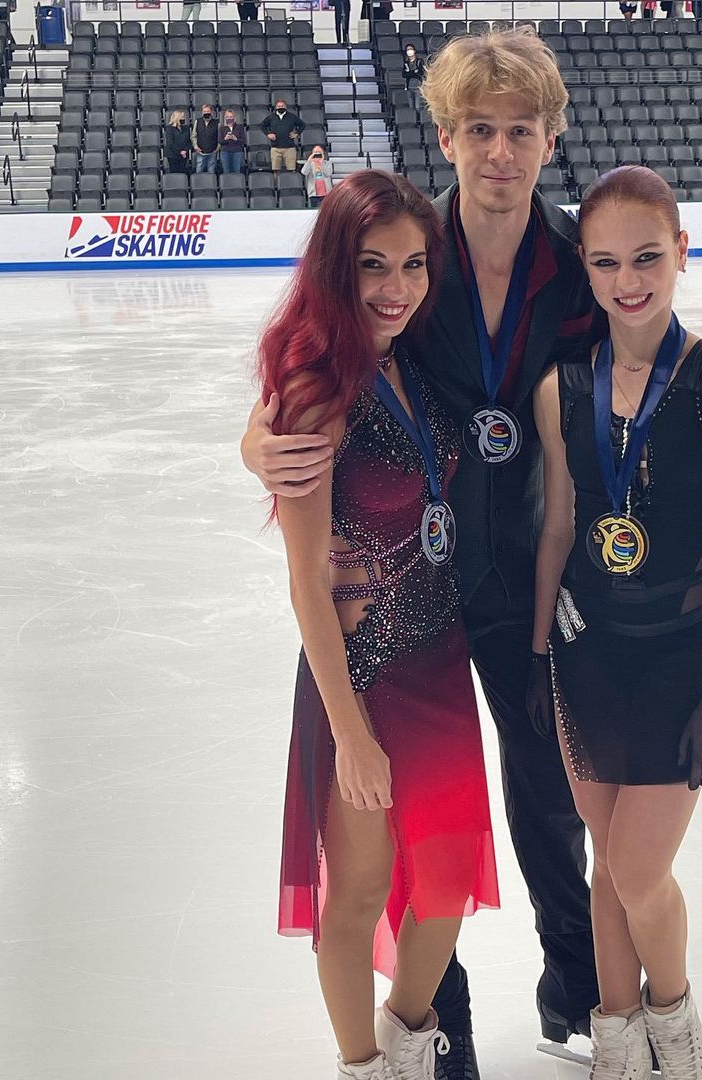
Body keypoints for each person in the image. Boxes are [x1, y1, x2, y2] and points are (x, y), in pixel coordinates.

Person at [240, 29, 702, 1080]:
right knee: (423, 816)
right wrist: (256, 439)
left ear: (551, 138)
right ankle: (433, 1020)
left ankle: (574, 988)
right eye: (480, 129)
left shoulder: (579, 262)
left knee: (546, 795)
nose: (501, 151)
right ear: (446, 137)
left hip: (544, 574)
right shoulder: (413, 252)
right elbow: (331, 357)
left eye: (521, 131)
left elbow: (648, 348)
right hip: (429, 585)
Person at [531, 164, 702, 1080]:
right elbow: (559, 529)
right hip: (586, 658)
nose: (627, 281)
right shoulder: (562, 388)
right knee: (608, 865)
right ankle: (618, 1041)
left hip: (680, 663)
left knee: (637, 871)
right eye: (604, 263)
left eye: (646, 257)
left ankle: (676, 1027)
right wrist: (540, 653)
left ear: (682, 252)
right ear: (585, 270)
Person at [267, 169, 500, 1080]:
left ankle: (407, 1040)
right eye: (373, 265)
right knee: (360, 892)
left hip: (439, 654)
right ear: (338, 266)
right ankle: (364, 1067)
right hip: (360, 670)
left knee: (445, 881)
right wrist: (352, 736)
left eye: (412, 265)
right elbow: (304, 584)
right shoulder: (315, 393)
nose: (396, 287)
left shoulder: (411, 357)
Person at [262, 98, 305, 174]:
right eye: (279, 106)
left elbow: (302, 125)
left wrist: (297, 133)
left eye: (282, 106)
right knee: (276, 170)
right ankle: (277, 182)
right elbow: (262, 126)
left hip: (290, 148)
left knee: (291, 170)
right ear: (275, 107)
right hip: (275, 148)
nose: (280, 107)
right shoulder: (271, 117)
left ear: (286, 107)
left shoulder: (292, 117)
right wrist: (268, 134)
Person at [192, 103, 219, 174]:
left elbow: (219, 136)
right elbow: (194, 135)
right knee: (199, 170)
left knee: (211, 171)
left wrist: (217, 148)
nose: (206, 113)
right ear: (202, 112)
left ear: (211, 112)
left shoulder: (217, 123)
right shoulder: (197, 121)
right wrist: (195, 146)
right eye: (205, 111)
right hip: (200, 151)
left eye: (208, 111)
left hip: (212, 151)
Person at [218, 109, 247, 174]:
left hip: (237, 151)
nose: (229, 118)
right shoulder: (222, 128)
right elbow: (220, 141)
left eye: (231, 117)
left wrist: (235, 139)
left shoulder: (240, 127)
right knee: (226, 172)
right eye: (228, 117)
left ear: (234, 117)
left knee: (236, 172)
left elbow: (243, 141)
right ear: (225, 118)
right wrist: (225, 139)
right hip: (225, 152)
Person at [165, 110, 191, 174]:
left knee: (182, 172)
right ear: (176, 118)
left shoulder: (186, 128)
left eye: (183, 117)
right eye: (182, 117)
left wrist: (185, 150)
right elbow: (170, 143)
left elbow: (189, 141)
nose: (183, 119)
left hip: (184, 155)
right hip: (173, 155)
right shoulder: (169, 128)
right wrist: (180, 152)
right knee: (175, 173)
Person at [403, 43, 425, 111]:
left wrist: (409, 72)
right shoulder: (406, 63)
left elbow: (421, 73)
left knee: (418, 106)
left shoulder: (419, 61)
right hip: (409, 86)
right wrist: (414, 72)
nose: (409, 51)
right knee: (411, 107)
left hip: (418, 86)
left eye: (411, 49)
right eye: (408, 50)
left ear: (414, 50)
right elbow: (404, 75)